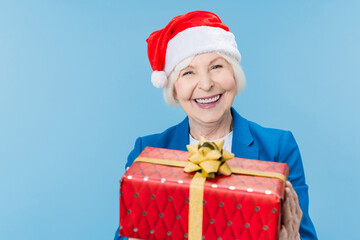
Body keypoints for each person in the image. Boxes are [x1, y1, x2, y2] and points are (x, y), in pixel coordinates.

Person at [114, 11, 317, 240]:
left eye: (216, 67)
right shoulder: (147, 153)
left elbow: (305, 234)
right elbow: (127, 232)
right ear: (174, 88)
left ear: (234, 74)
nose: (207, 84)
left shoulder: (279, 147)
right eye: (188, 72)